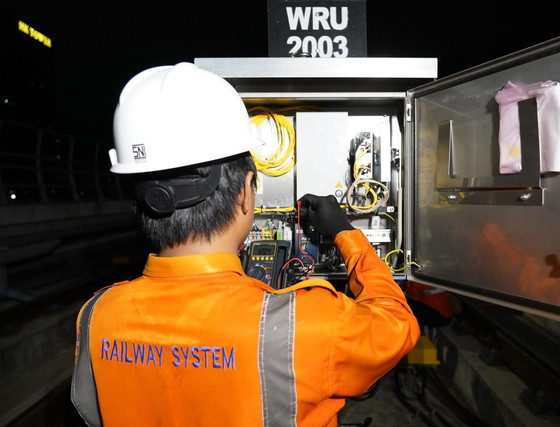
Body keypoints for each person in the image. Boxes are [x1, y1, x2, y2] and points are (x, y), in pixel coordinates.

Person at [71, 62, 420, 426]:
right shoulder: (301, 325)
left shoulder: (97, 316)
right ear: (245, 193)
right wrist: (346, 233)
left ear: (144, 198)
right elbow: (397, 324)